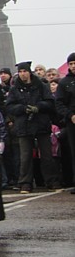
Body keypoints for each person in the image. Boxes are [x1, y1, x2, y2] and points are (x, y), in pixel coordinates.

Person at [5, 61, 62, 193]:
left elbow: (50, 103)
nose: (22, 74)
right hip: (24, 125)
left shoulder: (41, 86)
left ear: (29, 72)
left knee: (47, 155)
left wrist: (38, 107)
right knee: (25, 156)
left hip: (41, 123)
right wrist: (23, 109)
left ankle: (52, 181)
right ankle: (25, 183)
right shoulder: (14, 89)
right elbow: (9, 107)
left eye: (24, 71)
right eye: (20, 72)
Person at [55, 52, 75, 194]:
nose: (73, 66)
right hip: (72, 121)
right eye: (71, 64)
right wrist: (70, 115)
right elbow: (59, 103)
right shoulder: (64, 83)